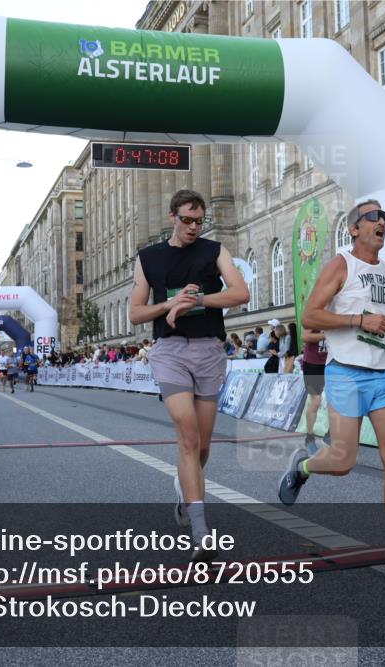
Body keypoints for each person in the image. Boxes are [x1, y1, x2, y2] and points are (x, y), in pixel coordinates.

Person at [278, 199, 385, 580]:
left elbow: (381, 312)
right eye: (373, 217)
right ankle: (303, 467)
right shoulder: (340, 264)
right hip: (346, 373)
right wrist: (359, 320)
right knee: (343, 461)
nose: (382, 221)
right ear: (354, 228)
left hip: (384, 376)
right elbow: (310, 315)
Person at [129, 189, 250, 562]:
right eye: (187, 220)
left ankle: (184, 490)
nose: (194, 227)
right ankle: (201, 533)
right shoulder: (149, 258)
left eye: (199, 221)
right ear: (172, 218)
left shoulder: (215, 251)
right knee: (188, 436)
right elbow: (135, 314)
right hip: (170, 352)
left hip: (209, 351)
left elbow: (241, 293)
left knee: (203, 447)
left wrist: (198, 301)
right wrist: (170, 303)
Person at [301, 328, 328, 453]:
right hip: (312, 363)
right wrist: (328, 335)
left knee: (336, 398)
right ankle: (310, 436)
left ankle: (331, 434)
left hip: (331, 362)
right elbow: (305, 337)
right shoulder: (313, 313)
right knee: (316, 400)